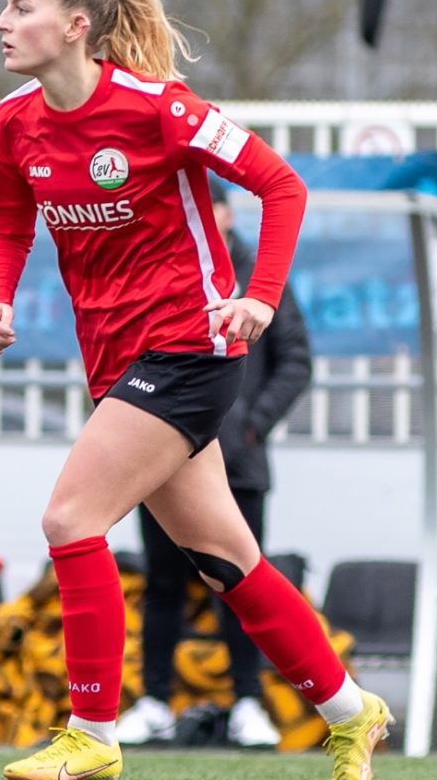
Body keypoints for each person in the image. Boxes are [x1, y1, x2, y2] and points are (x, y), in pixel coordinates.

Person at [0, 0, 388, 780]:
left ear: (76, 26)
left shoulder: (158, 108)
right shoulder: (13, 121)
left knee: (70, 516)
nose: (2, 22)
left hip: (189, 350)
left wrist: (260, 298)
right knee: (227, 558)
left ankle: (91, 733)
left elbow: (282, 186)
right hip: (116, 362)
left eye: (20, 7)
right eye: (6, 8)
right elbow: (10, 223)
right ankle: (353, 711)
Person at [117, 175, 314, 749]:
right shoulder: (161, 269)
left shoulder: (261, 276)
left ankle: (248, 702)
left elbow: (296, 362)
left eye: (211, 210)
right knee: (163, 584)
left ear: (224, 216)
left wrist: (251, 426)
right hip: (162, 457)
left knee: (242, 581)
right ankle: (153, 701)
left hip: (238, 463)